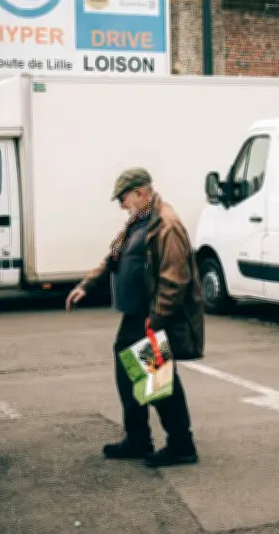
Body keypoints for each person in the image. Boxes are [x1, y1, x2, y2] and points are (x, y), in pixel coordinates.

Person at [65, 168, 205, 467]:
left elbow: (175, 279)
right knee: (129, 376)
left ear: (141, 193)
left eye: (124, 198)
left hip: (151, 316)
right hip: (135, 315)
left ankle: (181, 445)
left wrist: (156, 320)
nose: (121, 205)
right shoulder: (136, 222)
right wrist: (86, 286)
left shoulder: (166, 224)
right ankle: (138, 439)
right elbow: (112, 257)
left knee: (157, 380)